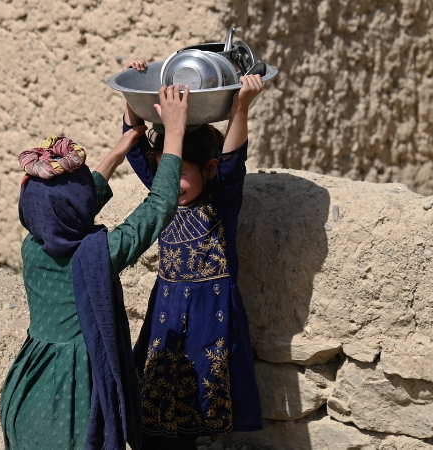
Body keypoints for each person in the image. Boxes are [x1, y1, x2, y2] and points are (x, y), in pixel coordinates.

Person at [0, 83, 192, 450]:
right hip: (69, 396)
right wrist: (176, 133)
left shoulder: (33, 245)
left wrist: (118, 152)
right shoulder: (97, 255)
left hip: (26, 391)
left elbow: (72, 209)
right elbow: (158, 209)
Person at [120, 58, 265, 449]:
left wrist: (241, 107)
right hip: (165, 315)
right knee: (156, 401)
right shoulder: (163, 196)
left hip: (209, 319)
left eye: (183, 171)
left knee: (197, 404)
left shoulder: (221, 202)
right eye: (169, 171)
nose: (174, 181)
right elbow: (135, 142)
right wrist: (135, 88)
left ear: (210, 167)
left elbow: (236, 162)